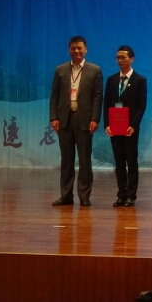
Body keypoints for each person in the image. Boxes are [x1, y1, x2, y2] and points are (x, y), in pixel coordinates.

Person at [49, 35, 103, 207]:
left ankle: (84, 196)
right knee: (66, 160)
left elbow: (97, 97)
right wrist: (53, 117)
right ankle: (66, 195)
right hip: (64, 119)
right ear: (69, 50)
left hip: (84, 120)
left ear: (85, 49)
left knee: (85, 160)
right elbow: (54, 96)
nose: (77, 51)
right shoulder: (60, 70)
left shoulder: (95, 70)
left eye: (80, 48)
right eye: (73, 48)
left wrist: (95, 118)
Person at [103, 45, 148, 207]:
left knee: (131, 161)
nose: (120, 60)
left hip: (130, 128)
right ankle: (121, 194)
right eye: (118, 57)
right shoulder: (112, 80)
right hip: (115, 127)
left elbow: (141, 106)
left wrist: (134, 125)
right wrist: (107, 124)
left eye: (123, 57)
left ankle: (131, 195)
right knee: (119, 162)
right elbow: (106, 104)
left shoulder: (140, 80)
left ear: (131, 59)